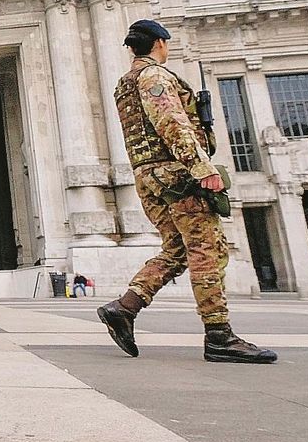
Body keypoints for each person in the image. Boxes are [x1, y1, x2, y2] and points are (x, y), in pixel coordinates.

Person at [97, 20, 276, 364]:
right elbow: (172, 124)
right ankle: (219, 335)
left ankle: (125, 307)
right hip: (177, 177)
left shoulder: (125, 83)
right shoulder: (155, 77)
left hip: (150, 178)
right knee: (206, 251)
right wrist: (202, 168)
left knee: (177, 249)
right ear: (160, 43)